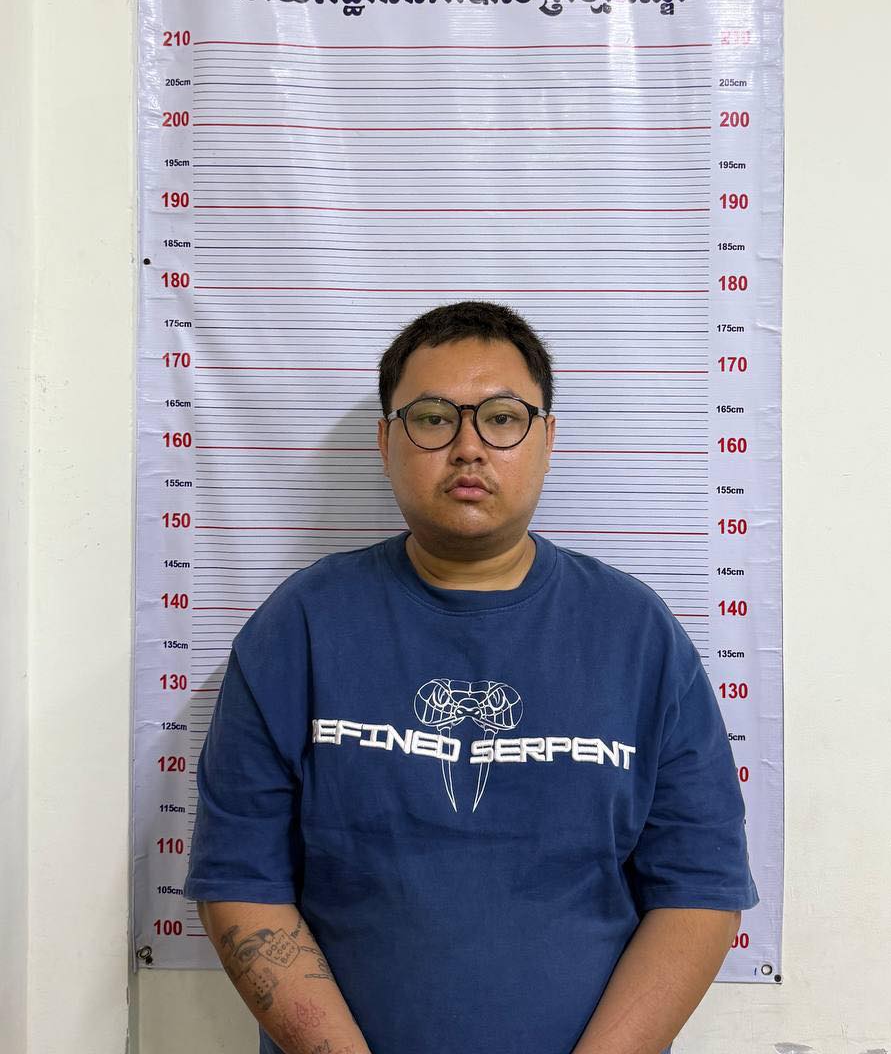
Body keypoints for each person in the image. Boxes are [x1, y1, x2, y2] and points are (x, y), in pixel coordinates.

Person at [184, 299, 759, 1054]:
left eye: (502, 418)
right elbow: (240, 883)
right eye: (431, 418)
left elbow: (700, 891)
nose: (468, 448)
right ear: (386, 441)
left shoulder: (638, 635)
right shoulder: (298, 630)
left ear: (547, 438)